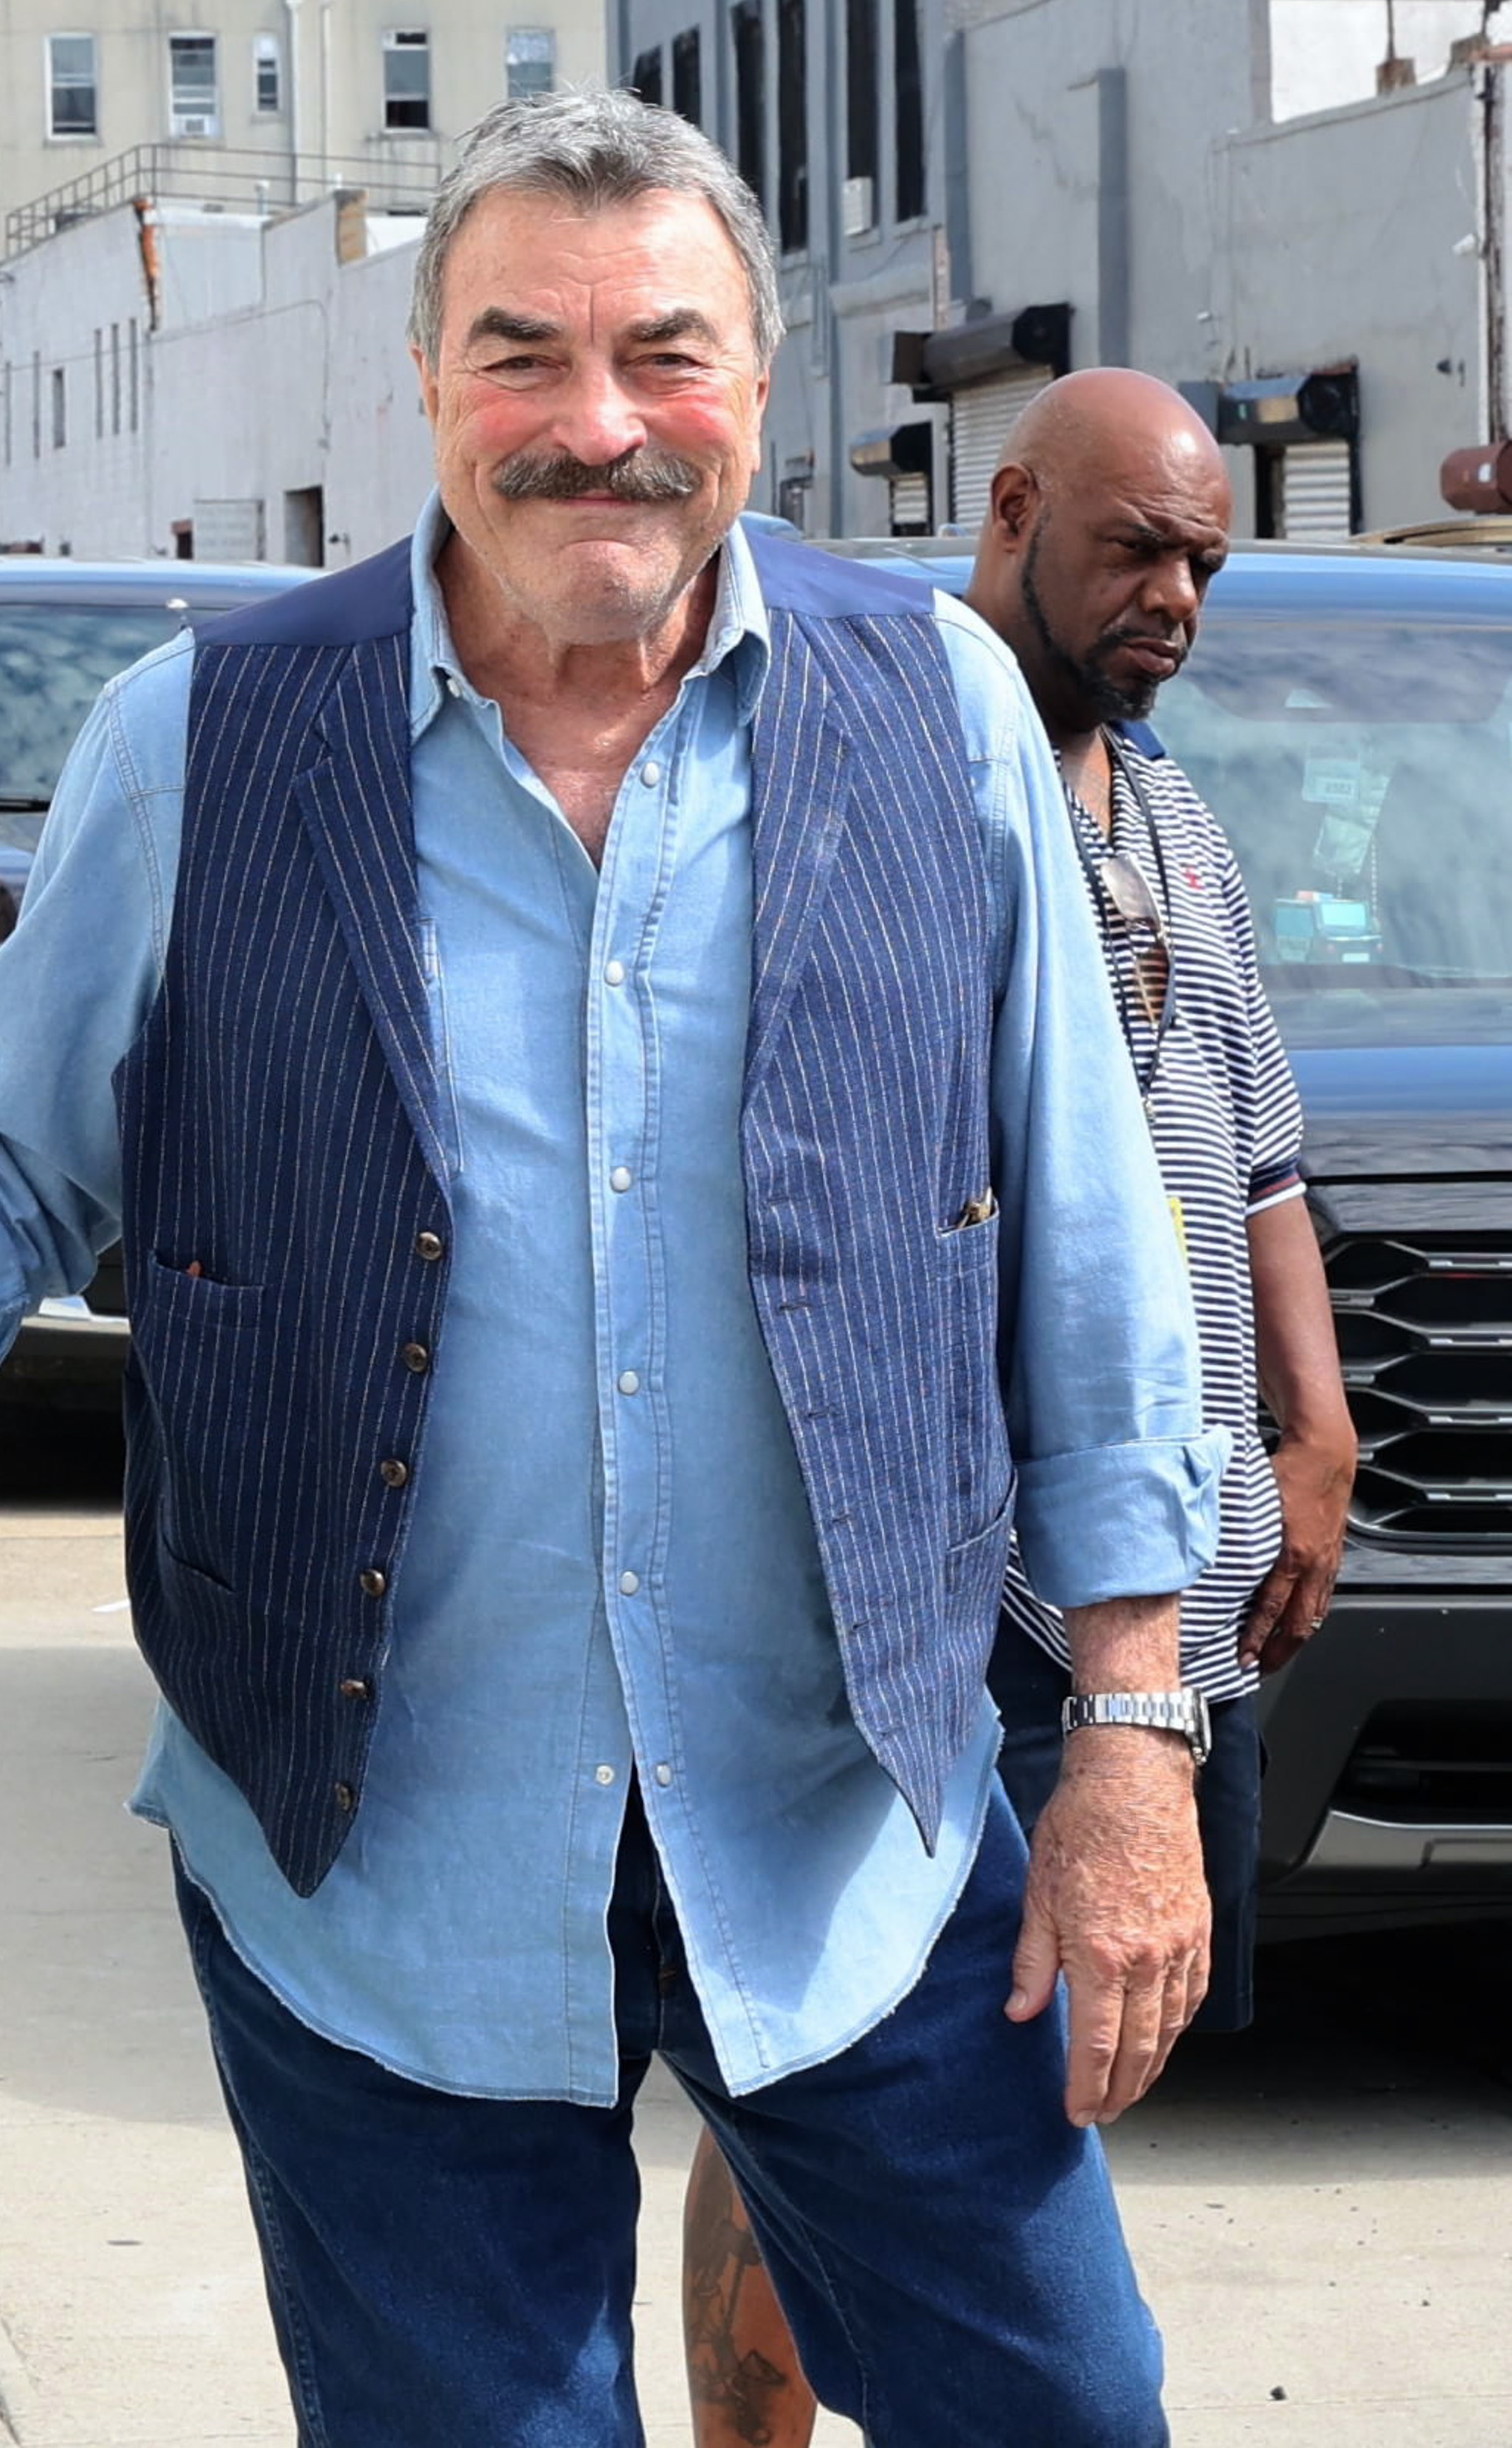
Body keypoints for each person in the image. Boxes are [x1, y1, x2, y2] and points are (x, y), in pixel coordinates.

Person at [0, 100, 1230, 2448]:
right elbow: (1, 1155)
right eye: (519, 353)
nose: (595, 424)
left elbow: (1079, 1230)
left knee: (1072, 2413)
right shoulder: (210, 739)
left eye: (663, 351)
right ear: (423, 384)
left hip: (857, 1827)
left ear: (762, 382)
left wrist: (1130, 1736)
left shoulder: (930, 715)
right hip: (373, 1852)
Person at [680, 369, 1356, 2448]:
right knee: (843, 2059)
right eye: (1135, 547)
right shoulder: (875, 768)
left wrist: (1308, 1431)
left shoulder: (1171, 813)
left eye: (1204, 564)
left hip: (1164, 1563)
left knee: (1059, 2060)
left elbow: (1254, 1156)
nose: (1172, 596)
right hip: (941, 1552)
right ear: (1008, 505)